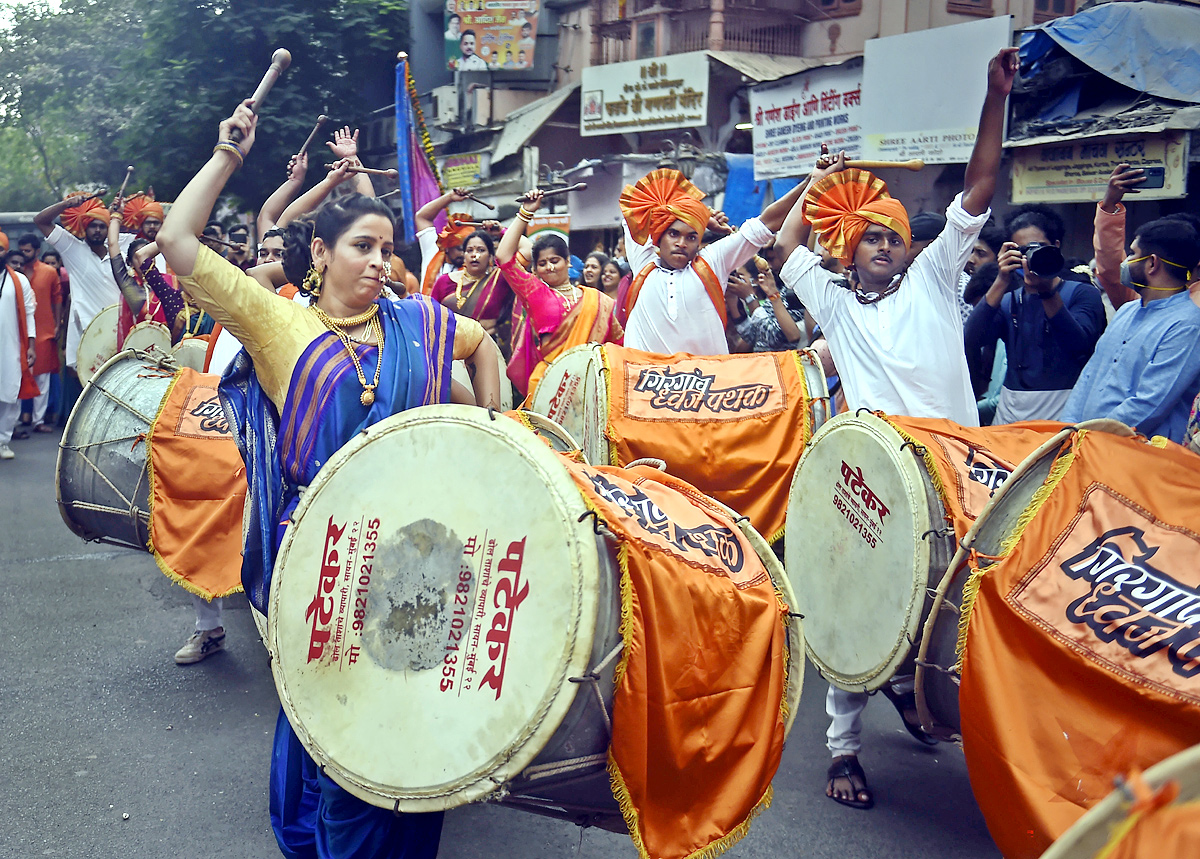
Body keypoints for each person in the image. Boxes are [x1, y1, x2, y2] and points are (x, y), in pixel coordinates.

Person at [156, 99, 500, 857]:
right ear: (319, 252)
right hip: (325, 563)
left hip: (419, 552)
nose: (380, 261)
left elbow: (483, 347)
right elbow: (177, 241)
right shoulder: (281, 324)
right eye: (362, 247)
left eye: (386, 248)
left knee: (412, 722)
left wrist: (491, 436)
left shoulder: (417, 319)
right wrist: (227, 159)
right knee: (338, 722)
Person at [775, 47, 1018, 811]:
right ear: (850, 252)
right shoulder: (837, 303)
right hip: (873, 480)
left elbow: (979, 185)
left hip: (960, 470)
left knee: (970, 602)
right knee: (859, 608)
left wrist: (994, 99)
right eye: (870, 237)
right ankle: (842, 749)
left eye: (893, 236)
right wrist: (815, 185)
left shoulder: (938, 279)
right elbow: (784, 249)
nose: (884, 245)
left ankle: (941, 705)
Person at [618, 167, 805, 356]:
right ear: (659, 238)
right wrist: (703, 215)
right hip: (647, 381)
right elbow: (635, 203)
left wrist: (812, 181)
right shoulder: (643, 263)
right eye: (673, 234)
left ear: (698, 243)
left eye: (691, 237)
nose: (681, 243)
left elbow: (766, 223)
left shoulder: (710, 263)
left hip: (706, 381)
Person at [1061, 216, 1200, 442]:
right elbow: (1089, 375)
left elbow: (1150, 404)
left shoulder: (1187, 325)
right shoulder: (1126, 311)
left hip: (1137, 456)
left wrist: (1089, 437)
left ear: (1152, 263)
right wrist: (1066, 432)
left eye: (1133, 254)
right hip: (1085, 445)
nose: (1126, 263)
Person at [963, 204, 1105, 423]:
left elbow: (1078, 345)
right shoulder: (1010, 298)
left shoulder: (1082, 293)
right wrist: (1002, 279)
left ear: (1056, 247)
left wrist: (1046, 291)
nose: (1030, 257)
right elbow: (972, 339)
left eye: (1038, 248)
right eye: (1022, 251)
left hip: (1064, 414)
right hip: (1010, 415)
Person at [497, 189, 622, 397]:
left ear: (568, 262)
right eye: (543, 264)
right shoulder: (534, 291)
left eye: (555, 261)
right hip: (549, 386)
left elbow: (617, 342)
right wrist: (526, 213)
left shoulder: (596, 300)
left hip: (590, 388)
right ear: (535, 269)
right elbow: (503, 257)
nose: (550, 267)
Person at [34, 194, 122, 374]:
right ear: (84, 227)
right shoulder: (72, 249)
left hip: (119, 332)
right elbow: (40, 221)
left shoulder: (121, 247)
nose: (97, 230)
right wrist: (66, 204)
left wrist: (119, 214)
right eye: (92, 226)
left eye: (102, 226)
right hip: (86, 335)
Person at [429, 228, 514, 357]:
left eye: (481, 250)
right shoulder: (444, 281)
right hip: (451, 353)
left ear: (491, 256)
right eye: (469, 250)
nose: (475, 255)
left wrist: (501, 231)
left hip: (489, 351)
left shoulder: (499, 279)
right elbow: (431, 316)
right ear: (464, 255)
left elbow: (527, 251)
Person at [17, 234, 61, 432]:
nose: (24, 254)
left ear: (37, 251)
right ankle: (16, 420)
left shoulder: (49, 272)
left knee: (42, 377)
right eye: (22, 250)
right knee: (16, 376)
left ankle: (38, 421)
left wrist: (58, 324)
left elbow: (57, 299)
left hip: (43, 330)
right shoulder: (13, 272)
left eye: (27, 251)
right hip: (17, 331)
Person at [0, 247, 37, 460]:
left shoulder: (19, 280)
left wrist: (31, 346)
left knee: (9, 393)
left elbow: (30, 313)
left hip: (11, 346)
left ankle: (3, 441)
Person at [729, 259, 806, 352]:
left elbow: (772, 336)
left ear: (757, 279)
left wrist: (749, 298)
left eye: (740, 277)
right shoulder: (772, 299)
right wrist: (731, 298)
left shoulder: (791, 298)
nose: (737, 281)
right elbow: (751, 336)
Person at [414, 188, 475, 292]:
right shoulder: (433, 250)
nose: (464, 254)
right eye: (460, 249)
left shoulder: (475, 271)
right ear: (447, 247)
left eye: (469, 250)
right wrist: (449, 197)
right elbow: (422, 217)